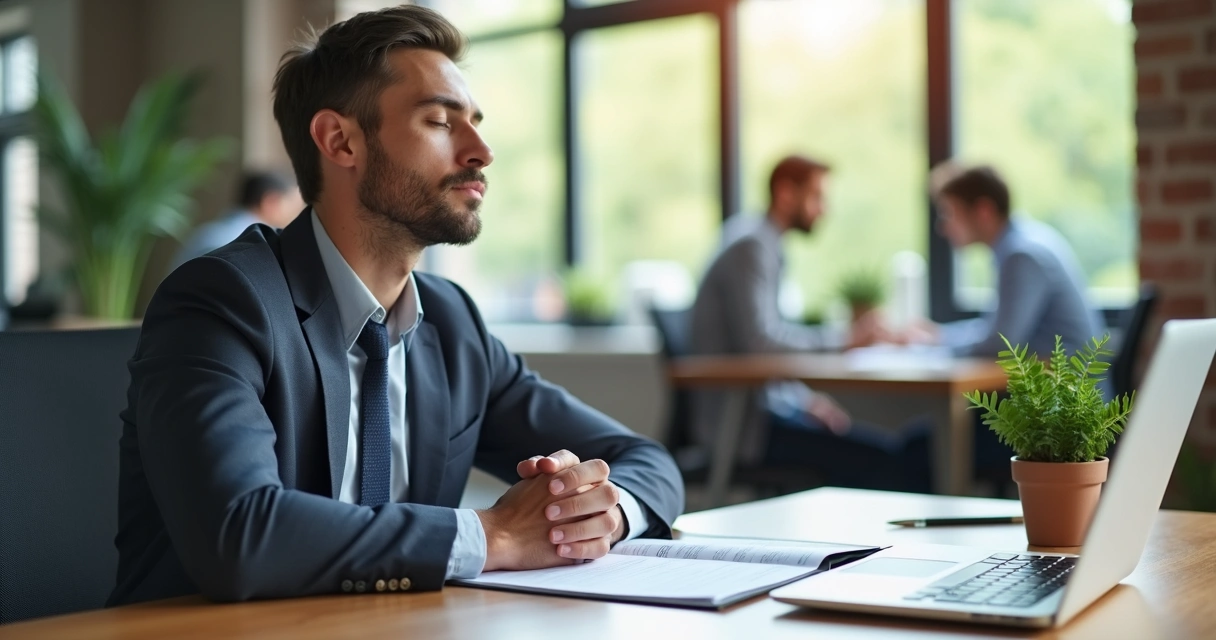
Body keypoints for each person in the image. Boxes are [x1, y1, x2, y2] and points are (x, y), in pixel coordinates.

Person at [108, 5, 683, 606]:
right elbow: (240, 535)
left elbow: (644, 460)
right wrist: (496, 534)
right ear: (340, 141)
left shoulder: (452, 323)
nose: (481, 150)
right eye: (440, 121)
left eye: (477, 124)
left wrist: (598, 514)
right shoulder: (222, 301)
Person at [688, 155, 930, 493]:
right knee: (886, 460)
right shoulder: (752, 247)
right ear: (786, 193)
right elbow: (762, 344)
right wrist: (847, 340)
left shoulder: (763, 243)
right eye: (817, 196)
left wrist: (805, 401)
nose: (824, 209)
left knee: (879, 450)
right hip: (745, 430)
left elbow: (762, 347)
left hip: (766, 414)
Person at [911, 162, 1106, 359]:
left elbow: (1001, 345)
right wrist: (938, 336)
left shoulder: (1022, 256)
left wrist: (929, 350)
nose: (943, 227)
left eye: (949, 213)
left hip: (1068, 388)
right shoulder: (1018, 245)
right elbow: (991, 330)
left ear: (984, 211)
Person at [170, 171, 304, 271]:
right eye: (292, 205)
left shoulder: (210, 232)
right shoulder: (240, 243)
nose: (297, 213)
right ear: (270, 202)